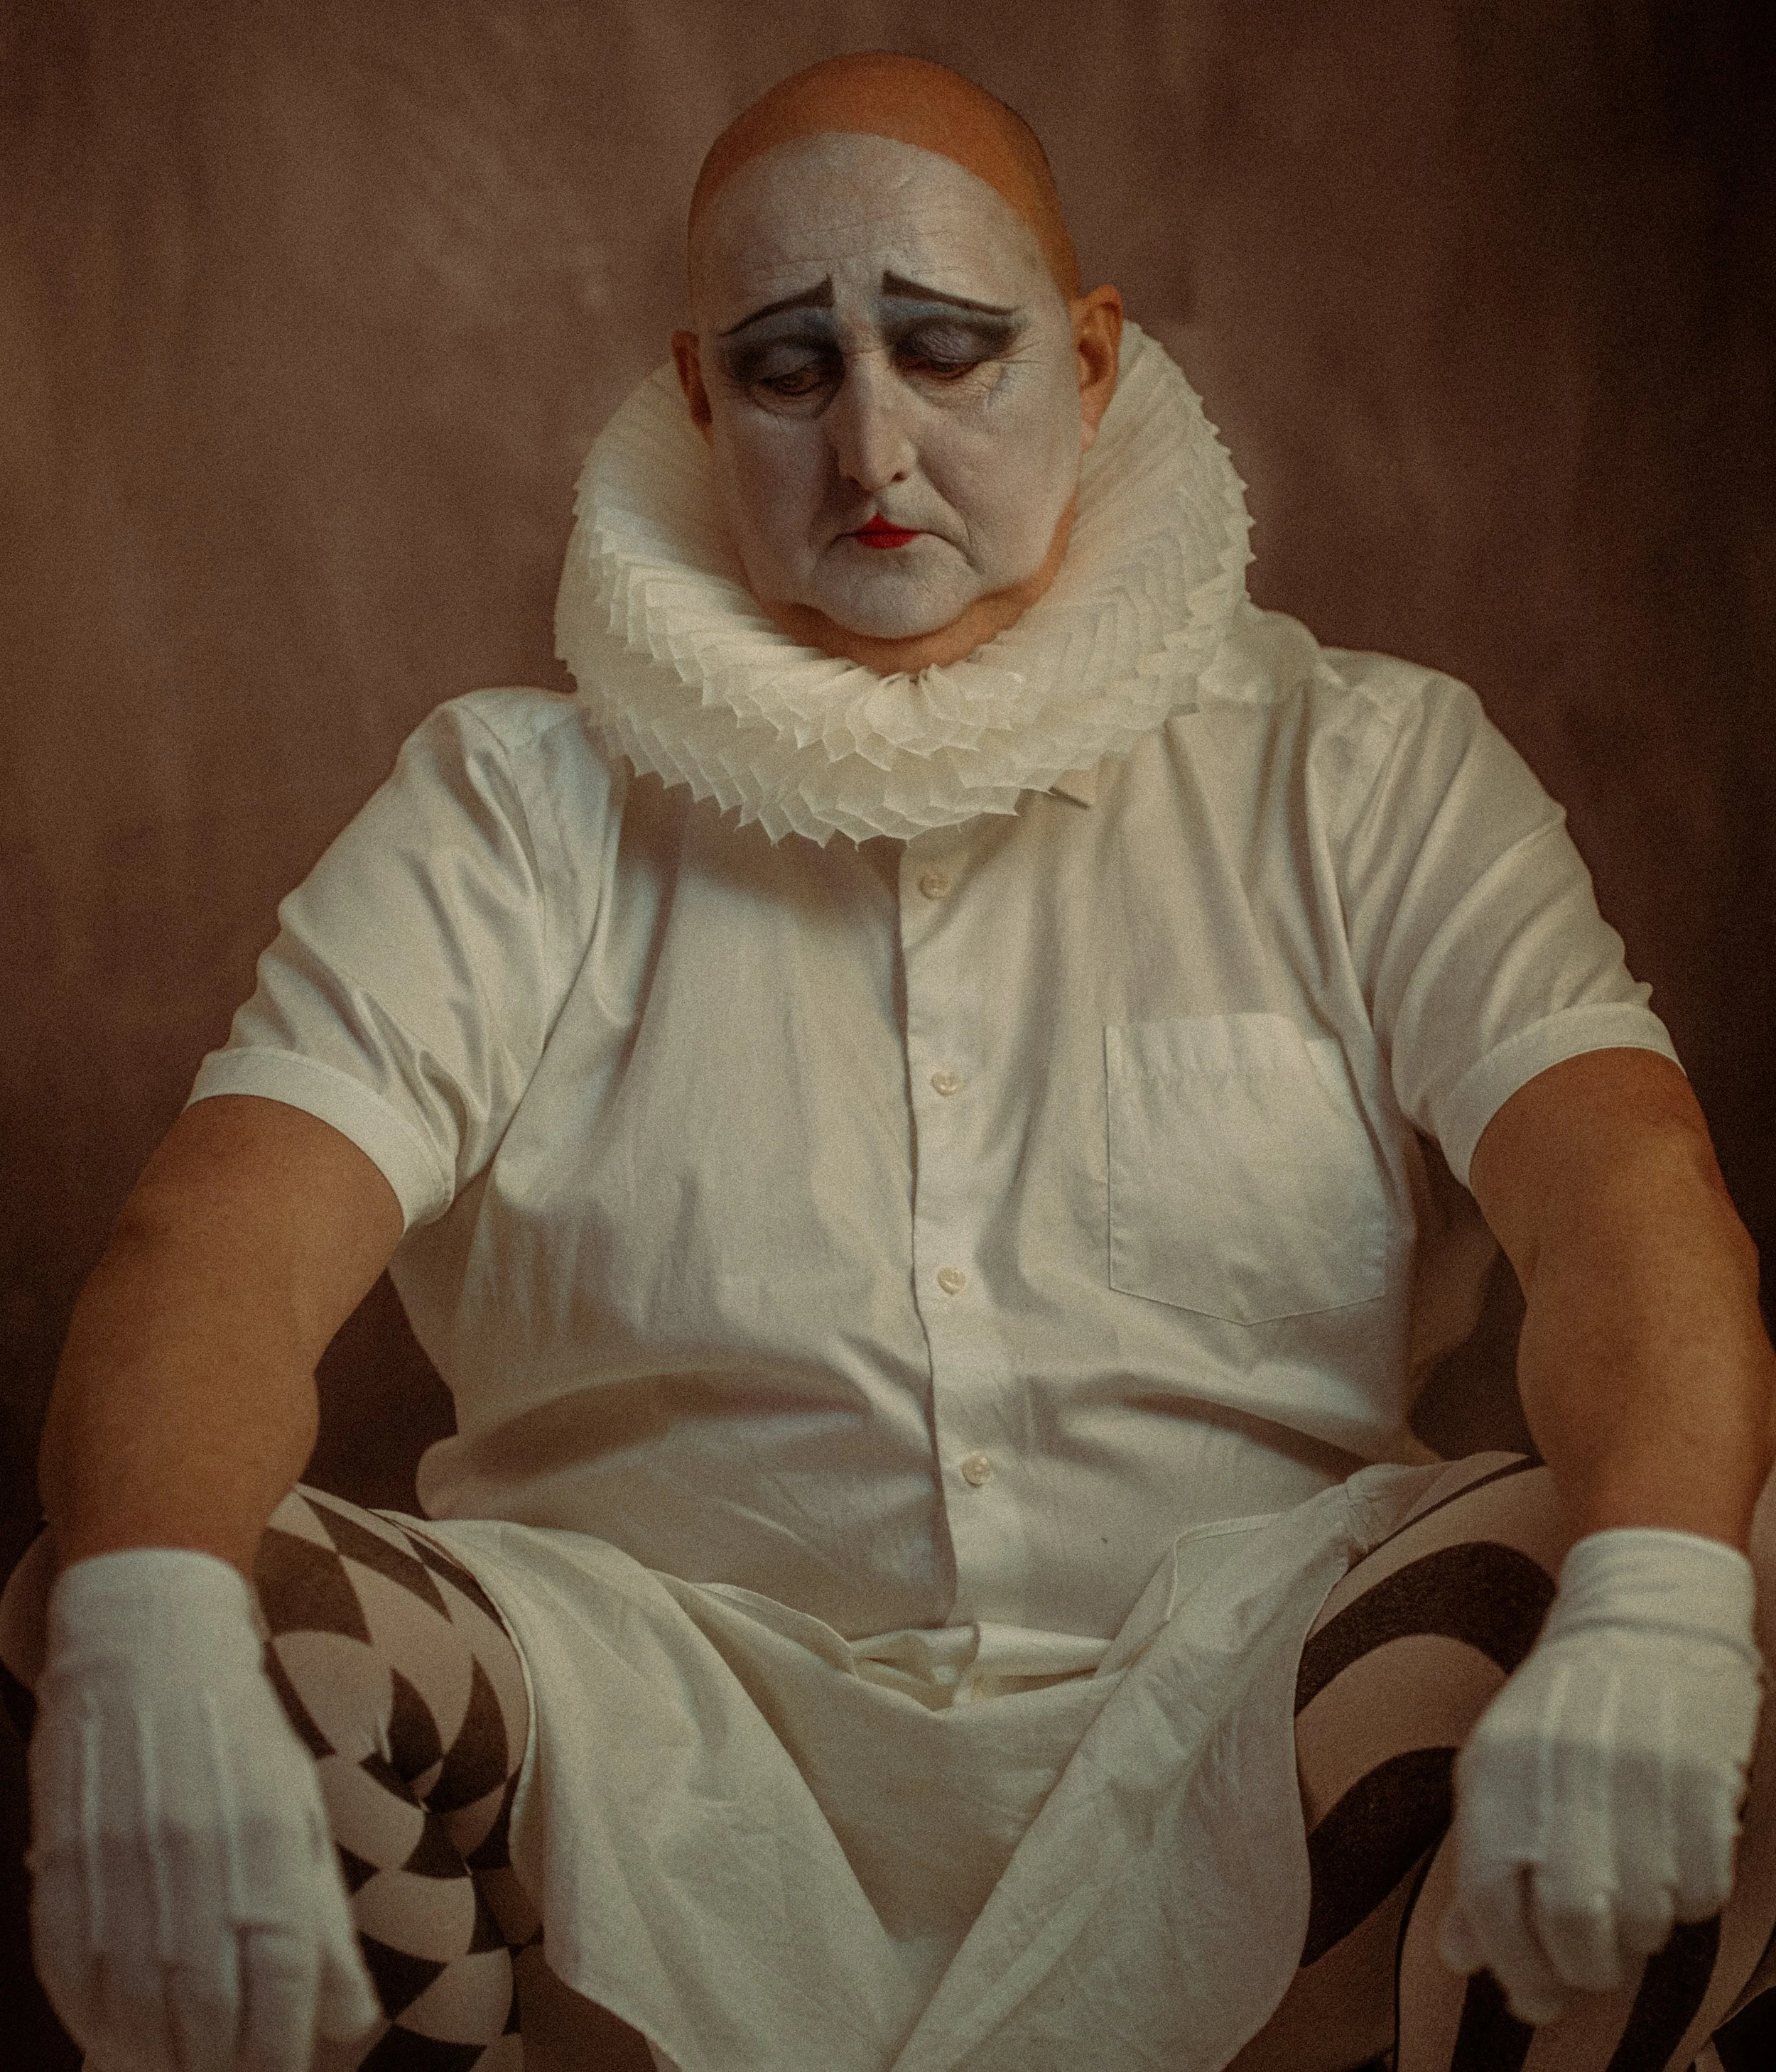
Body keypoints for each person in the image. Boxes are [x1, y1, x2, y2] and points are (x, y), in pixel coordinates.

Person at [6, 50, 1776, 2072]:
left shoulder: (1362, 767)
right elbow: (217, 1240)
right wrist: (142, 1632)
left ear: (1095, 366)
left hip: (1247, 1737)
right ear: (695, 400)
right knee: (166, 1593)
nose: (874, 441)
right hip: (639, 1744)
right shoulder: (510, 804)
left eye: (951, 351)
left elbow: (1628, 1197)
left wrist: (1653, 1607)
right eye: (787, 368)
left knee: (1709, 1560)